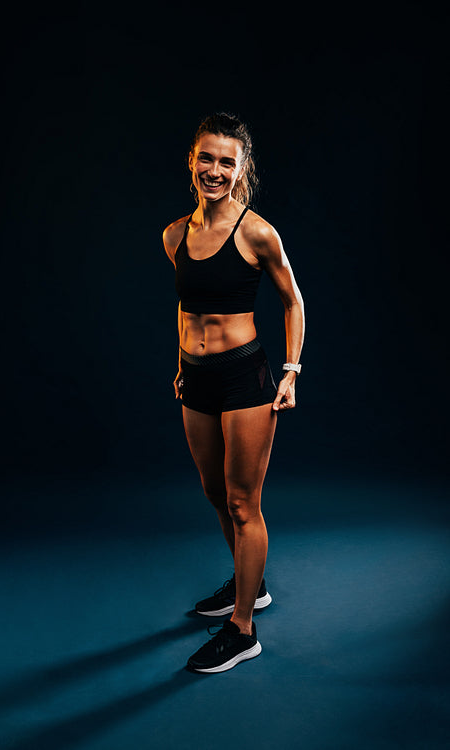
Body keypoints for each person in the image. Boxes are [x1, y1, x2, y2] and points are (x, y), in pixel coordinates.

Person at [162, 112, 305, 673]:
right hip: (195, 379)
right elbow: (187, 306)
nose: (214, 170)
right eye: (207, 158)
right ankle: (252, 584)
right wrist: (180, 361)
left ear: (240, 168)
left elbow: (293, 300)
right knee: (216, 495)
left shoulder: (257, 232)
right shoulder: (175, 234)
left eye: (227, 161)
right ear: (192, 163)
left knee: (246, 502)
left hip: (245, 377)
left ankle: (243, 629)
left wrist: (291, 369)